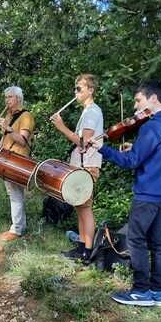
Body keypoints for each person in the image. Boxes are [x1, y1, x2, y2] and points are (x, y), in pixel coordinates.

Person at [94, 80, 161, 306]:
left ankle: (141, 291)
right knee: (158, 244)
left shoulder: (151, 126)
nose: (135, 107)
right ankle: (158, 292)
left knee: (136, 240)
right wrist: (134, 148)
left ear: (153, 98)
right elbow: (156, 154)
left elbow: (132, 162)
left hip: (147, 193)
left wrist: (103, 149)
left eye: (138, 100)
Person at [50, 74, 103, 263]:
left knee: (85, 208)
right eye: (75, 88)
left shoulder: (92, 112)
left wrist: (61, 127)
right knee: (80, 207)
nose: (76, 92)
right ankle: (82, 247)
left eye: (79, 88)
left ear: (91, 90)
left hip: (87, 165)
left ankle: (87, 252)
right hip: (81, 164)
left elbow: (84, 142)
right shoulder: (87, 111)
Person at [0, 86, 35, 241]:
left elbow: (23, 141)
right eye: (6, 97)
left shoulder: (26, 116)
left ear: (18, 98)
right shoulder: (9, 115)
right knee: (13, 193)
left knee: (15, 193)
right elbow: (5, 138)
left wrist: (9, 129)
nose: (7, 100)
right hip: (6, 158)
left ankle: (16, 229)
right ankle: (20, 225)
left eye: (10, 97)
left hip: (17, 159)